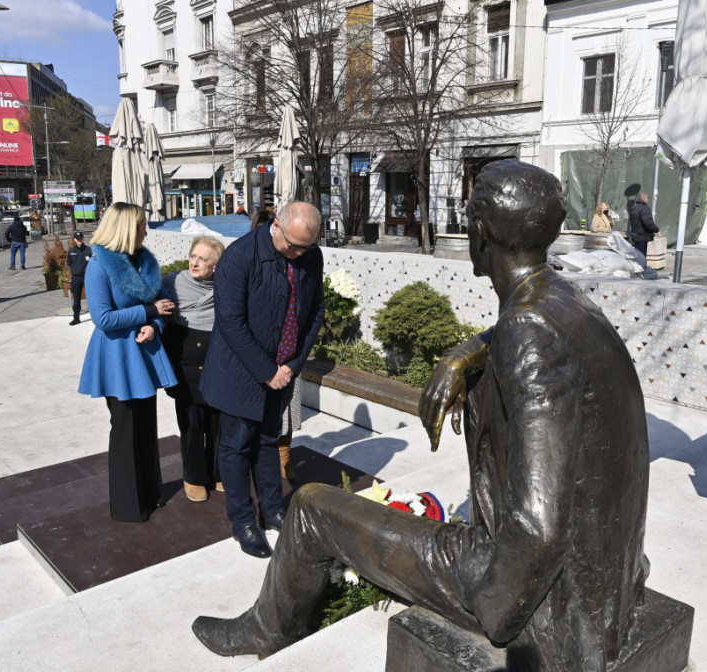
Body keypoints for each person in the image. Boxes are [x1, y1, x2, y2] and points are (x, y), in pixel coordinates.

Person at [191, 160, 650, 669]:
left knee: (312, 507)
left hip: (519, 588)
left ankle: (267, 628)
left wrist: (491, 610)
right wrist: (465, 354)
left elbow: (538, 528)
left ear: (479, 234)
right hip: (608, 575)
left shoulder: (527, 328)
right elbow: (524, 333)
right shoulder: (563, 297)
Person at [200, 201, 325, 558]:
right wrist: (267, 371)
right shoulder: (240, 257)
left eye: (307, 246)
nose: (299, 252)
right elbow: (231, 322)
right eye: (294, 245)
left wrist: (292, 365)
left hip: (283, 372)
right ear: (276, 226)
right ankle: (242, 522)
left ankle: (272, 511)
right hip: (240, 372)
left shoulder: (309, 257)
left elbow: (315, 313)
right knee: (237, 446)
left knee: (269, 441)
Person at [78, 203, 178, 523]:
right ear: (125, 229)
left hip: (143, 354)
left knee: (146, 428)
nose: (146, 232)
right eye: (141, 226)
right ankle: (129, 506)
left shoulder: (145, 261)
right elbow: (103, 318)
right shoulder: (98, 266)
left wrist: (155, 325)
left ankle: (151, 492)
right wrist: (148, 314)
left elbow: (161, 306)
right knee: (125, 431)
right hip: (118, 358)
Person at [162, 236, 226, 503]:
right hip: (185, 365)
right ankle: (193, 477)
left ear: (215, 266)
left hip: (216, 365)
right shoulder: (171, 283)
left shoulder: (225, 287)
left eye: (203, 259)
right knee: (191, 426)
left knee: (217, 425)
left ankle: (218, 472)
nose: (195, 262)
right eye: (193, 256)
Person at [250, 210, 300, 480]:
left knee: (286, 410)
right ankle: (273, 459)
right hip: (259, 357)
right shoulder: (250, 259)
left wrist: (291, 363)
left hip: (288, 357)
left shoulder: (299, 264)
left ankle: (284, 457)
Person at [67, 231, 93, 325]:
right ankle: (76, 317)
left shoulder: (89, 250)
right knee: (76, 298)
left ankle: (95, 317)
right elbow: (69, 263)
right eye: (77, 239)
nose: (79, 241)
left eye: (81, 239)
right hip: (76, 278)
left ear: (83, 238)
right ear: (74, 240)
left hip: (88, 277)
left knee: (92, 297)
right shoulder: (71, 251)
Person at [628, 192, 661, 257]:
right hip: (643, 236)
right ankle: (641, 266)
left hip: (636, 235)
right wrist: (657, 230)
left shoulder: (633, 207)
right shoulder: (645, 208)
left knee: (637, 255)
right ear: (646, 199)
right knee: (641, 256)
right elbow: (648, 223)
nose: (648, 201)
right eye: (648, 199)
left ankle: (638, 266)